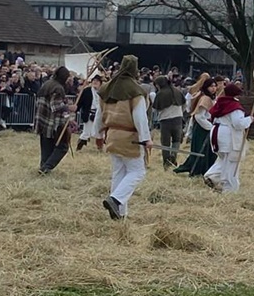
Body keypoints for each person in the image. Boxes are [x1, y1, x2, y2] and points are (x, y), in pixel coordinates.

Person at [97, 55, 152, 220]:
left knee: (119, 172)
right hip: (129, 137)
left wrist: (97, 133)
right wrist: (146, 138)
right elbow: (140, 117)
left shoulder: (107, 88)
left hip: (112, 135)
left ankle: (119, 214)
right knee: (137, 171)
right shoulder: (136, 91)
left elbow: (99, 114)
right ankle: (116, 200)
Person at [203, 83, 253, 193]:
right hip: (228, 136)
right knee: (231, 162)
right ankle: (229, 189)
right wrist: (249, 120)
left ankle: (212, 176)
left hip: (217, 133)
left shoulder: (220, 103)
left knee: (223, 159)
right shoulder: (234, 107)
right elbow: (238, 123)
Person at [34, 66, 77, 174]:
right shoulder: (58, 88)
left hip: (42, 121)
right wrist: (69, 107)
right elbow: (56, 107)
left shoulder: (47, 84)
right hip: (53, 124)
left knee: (46, 147)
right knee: (63, 147)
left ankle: (43, 168)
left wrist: (68, 117)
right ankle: (46, 167)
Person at [174, 77, 217, 177]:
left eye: (215, 86)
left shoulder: (211, 98)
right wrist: (210, 127)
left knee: (208, 151)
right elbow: (199, 116)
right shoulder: (205, 99)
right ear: (206, 87)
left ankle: (205, 170)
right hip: (202, 128)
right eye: (211, 86)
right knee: (200, 150)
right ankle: (196, 170)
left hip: (207, 127)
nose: (214, 88)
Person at [152, 75, 185, 169]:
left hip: (165, 120)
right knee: (176, 140)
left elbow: (156, 108)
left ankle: (166, 162)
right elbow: (184, 104)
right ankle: (173, 156)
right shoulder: (177, 91)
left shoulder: (161, 94)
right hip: (178, 119)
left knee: (165, 143)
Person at [76, 75, 103, 151]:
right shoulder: (86, 91)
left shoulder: (102, 92)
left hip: (99, 114)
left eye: (97, 81)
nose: (95, 82)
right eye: (94, 81)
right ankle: (79, 148)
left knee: (100, 132)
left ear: (100, 83)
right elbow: (80, 102)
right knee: (86, 132)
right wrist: (75, 109)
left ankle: (100, 148)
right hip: (89, 114)